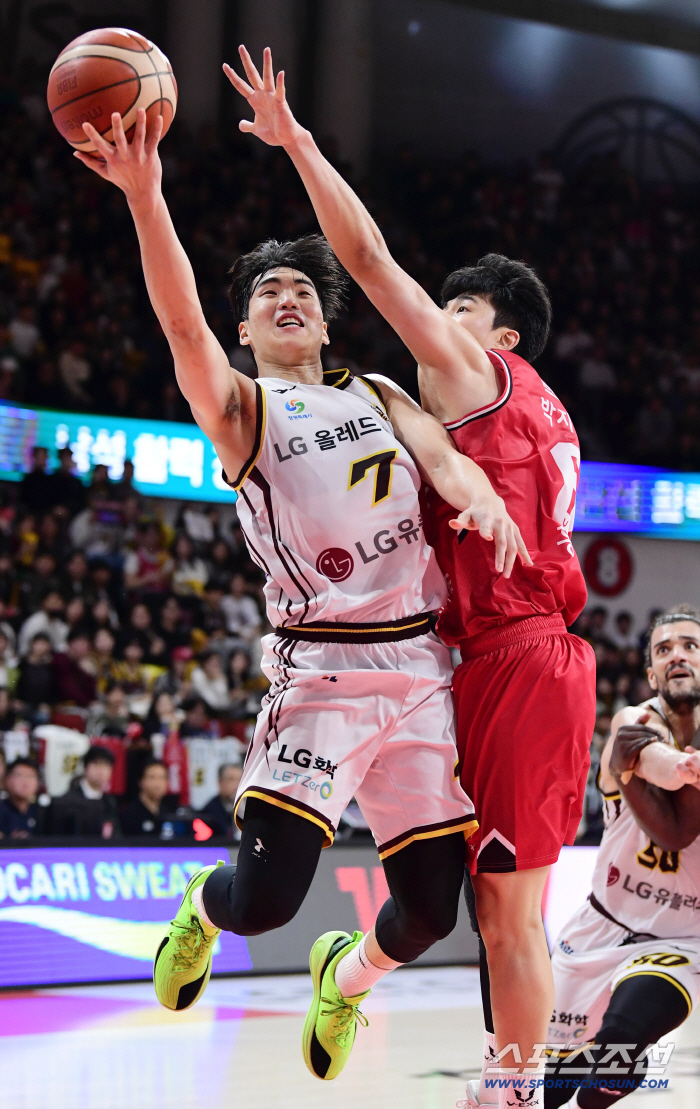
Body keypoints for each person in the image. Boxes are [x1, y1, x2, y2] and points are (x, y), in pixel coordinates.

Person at [76, 103, 529, 1080]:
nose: (288, 297)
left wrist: (482, 497)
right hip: (319, 674)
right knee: (263, 902)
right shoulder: (242, 408)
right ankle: (200, 907)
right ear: (245, 325)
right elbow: (178, 324)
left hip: (417, 669)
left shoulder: (378, 393)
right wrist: (148, 199)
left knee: (426, 910)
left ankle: (346, 977)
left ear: (325, 319)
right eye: (268, 291)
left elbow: (447, 463)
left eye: (302, 289)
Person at [224, 47, 595, 1099]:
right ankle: (360, 970)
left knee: (509, 914)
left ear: (498, 331)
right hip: (455, 655)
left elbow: (367, 254)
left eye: (458, 309)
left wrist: (296, 142)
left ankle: (510, 1086)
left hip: (514, 655)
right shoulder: (524, 411)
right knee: (455, 901)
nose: (437, 320)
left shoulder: (473, 375)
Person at [546, 606, 700, 1109]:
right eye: (664, 649)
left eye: (690, 646)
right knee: (539, 1092)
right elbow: (659, 765)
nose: (677, 655)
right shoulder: (632, 721)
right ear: (652, 673)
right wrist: (684, 765)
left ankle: (618, 1063)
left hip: (682, 941)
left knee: (613, 1055)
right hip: (602, 925)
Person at [49, 746, 120, 838]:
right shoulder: (66, 801)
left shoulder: (109, 803)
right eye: (97, 764)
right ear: (86, 767)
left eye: (106, 766)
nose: (102, 771)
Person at [120, 759, 177, 838]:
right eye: (152, 777)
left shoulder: (169, 813)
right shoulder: (130, 814)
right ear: (141, 781)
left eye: (162, 778)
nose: (158, 784)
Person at [0, 758, 45, 839]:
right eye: (19, 775)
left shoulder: (42, 813)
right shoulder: (2, 810)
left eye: (31, 776)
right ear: (6, 780)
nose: (25, 782)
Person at [52, 628, 97, 707]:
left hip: (82, 707)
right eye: (82, 642)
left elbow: (92, 695)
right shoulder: (59, 661)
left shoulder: (84, 665)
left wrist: (89, 675)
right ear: (70, 643)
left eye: (87, 644)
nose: (85, 647)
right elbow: (69, 692)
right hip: (61, 707)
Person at [18, 587, 67, 656]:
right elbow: (25, 648)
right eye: (52, 600)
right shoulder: (35, 622)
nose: (55, 603)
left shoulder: (60, 625)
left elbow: (62, 647)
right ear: (43, 602)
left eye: (58, 600)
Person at [200, 763, 242, 838]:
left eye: (240, 779)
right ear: (220, 782)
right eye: (231, 779)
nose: (237, 784)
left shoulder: (249, 807)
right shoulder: (209, 811)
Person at [20, 446, 53, 514]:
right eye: (39, 456)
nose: (41, 459)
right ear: (34, 458)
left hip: (46, 514)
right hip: (29, 514)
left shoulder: (52, 481)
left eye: (43, 457)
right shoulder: (27, 480)